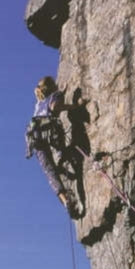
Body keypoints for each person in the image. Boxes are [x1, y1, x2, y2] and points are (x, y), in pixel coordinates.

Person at [26, 76, 86, 213]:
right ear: (53, 87)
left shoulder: (38, 103)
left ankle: (65, 201)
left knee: (49, 171)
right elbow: (54, 106)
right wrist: (75, 106)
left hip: (34, 137)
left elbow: (46, 101)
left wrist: (62, 92)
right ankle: (62, 158)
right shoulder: (55, 95)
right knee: (61, 153)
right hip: (50, 131)